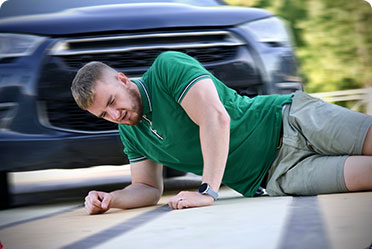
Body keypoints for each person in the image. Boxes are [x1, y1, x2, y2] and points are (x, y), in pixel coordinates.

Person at [71, 51, 372, 215]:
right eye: (104, 115)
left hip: (291, 120)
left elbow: (215, 118)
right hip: (279, 175)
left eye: (112, 102)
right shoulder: (131, 133)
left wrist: (207, 192)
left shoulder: (166, 69)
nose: (115, 116)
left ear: (122, 80)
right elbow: (148, 188)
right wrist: (111, 199)